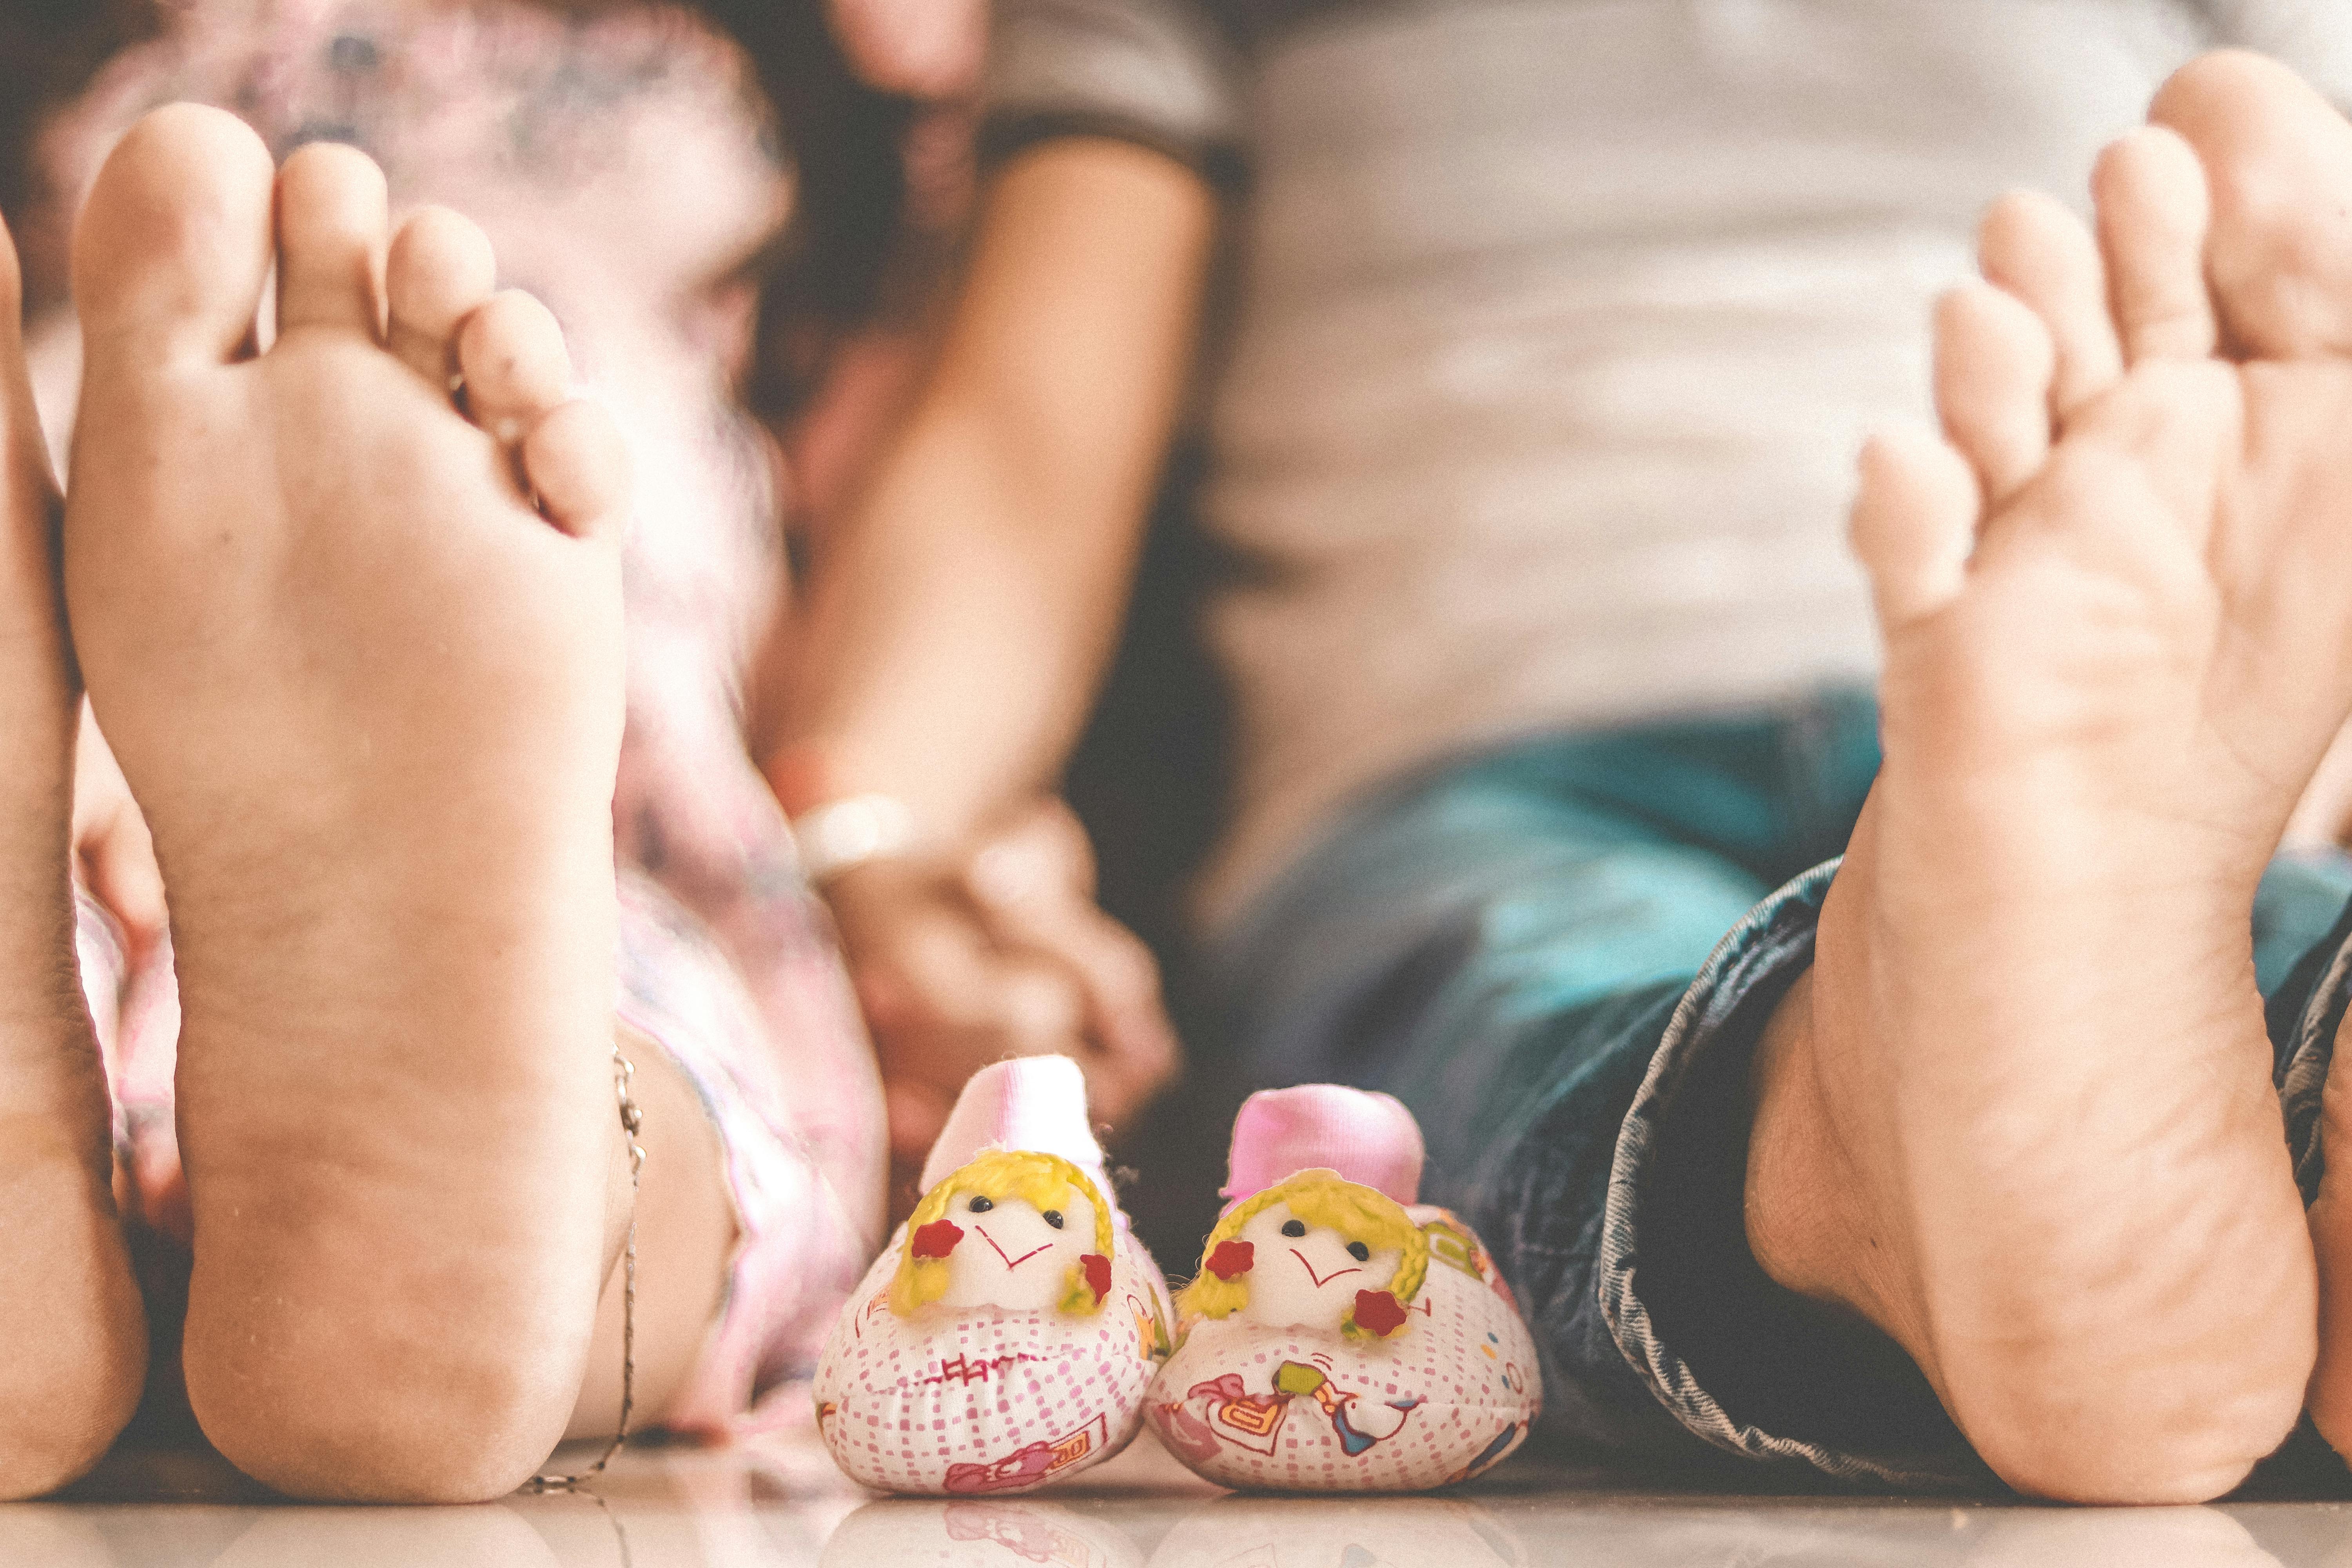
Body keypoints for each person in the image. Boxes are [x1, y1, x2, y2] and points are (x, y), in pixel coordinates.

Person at [826, 0, 2352, 1502]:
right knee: (1549, 949)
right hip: (1480, 751)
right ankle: (1871, 1129)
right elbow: (1026, 445)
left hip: (2079, 691)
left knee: (1556, 978)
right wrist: (865, 841)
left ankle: (1904, 1141)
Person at [0, 0, 928, 1501]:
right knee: (624, 1026)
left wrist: (898, 825)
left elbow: (911, 492)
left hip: (509, 711)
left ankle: (354, 1261)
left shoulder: (844, 72)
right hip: (121, 611)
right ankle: (473, 1265)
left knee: (529, 977)